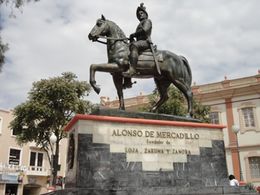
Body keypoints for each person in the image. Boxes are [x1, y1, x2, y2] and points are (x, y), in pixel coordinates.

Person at [123, 3, 152, 77]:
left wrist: (133, 34)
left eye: (142, 13)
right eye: (139, 14)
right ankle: (127, 79)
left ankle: (132, 69)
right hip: (140, 42)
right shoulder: (139, 24)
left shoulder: (147, 21)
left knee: (134, 45)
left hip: (146, 42)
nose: (140, 15)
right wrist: (132, 38)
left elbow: (145, 30)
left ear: (145, 14)